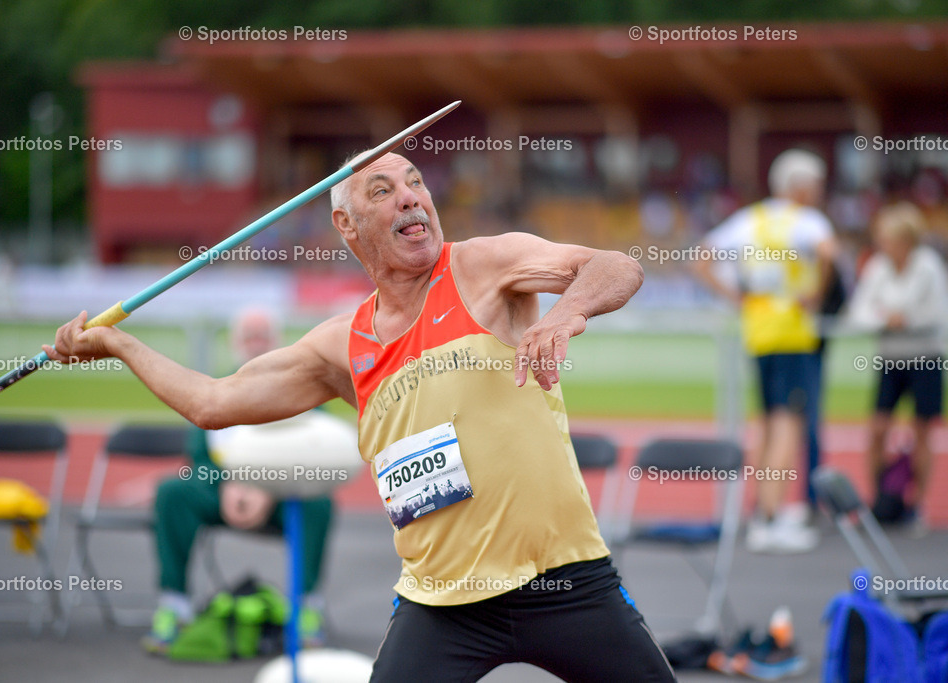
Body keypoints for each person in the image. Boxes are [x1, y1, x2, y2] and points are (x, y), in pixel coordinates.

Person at [46, 152, 675, 681]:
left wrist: (566, 314)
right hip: (442, 603)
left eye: (417, 183)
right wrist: (117, 345)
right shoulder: (339, 347)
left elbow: (616, 266)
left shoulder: (484, 265)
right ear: (347, 225)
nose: (410, 199)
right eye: (384, 191)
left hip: (562, 582)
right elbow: (212, 403)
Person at [141, 308, 334, 654]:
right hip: (222, 491)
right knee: (172, 493)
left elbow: (316, 451)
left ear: (277, 341)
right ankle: (174, 606)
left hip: (282, 493)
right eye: (249, 336)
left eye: (263, 335)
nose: (257, 343)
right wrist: (229, 484)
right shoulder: (216, 389)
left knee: (318, 503)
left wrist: (269, 488)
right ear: (236, 343)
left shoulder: (306, 389)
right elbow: (199, 456)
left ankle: (307, 606)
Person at [695, 149, 838, 554]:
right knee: (788, 421)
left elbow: (702, 258)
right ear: (800, 186)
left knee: (770, 422)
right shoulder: (807, 221)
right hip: (792, 330)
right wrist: (817, 293)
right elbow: (829, 254)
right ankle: (771, 517)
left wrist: (737, 297)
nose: (819, 193)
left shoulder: (750, 219)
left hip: (758, 330)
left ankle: (764, 510)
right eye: (815, 185)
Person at [847, 202, 948, 535]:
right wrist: (887, 318)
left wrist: (898, 318)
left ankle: (916, 505)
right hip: (890, 357)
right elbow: (859, 311)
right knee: (877, 428)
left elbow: (933, 314)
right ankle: (881, 500)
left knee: (922, 431)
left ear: (906, 239)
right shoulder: (877, 267)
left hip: (925, 357)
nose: (884, 245)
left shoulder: (928, 267)